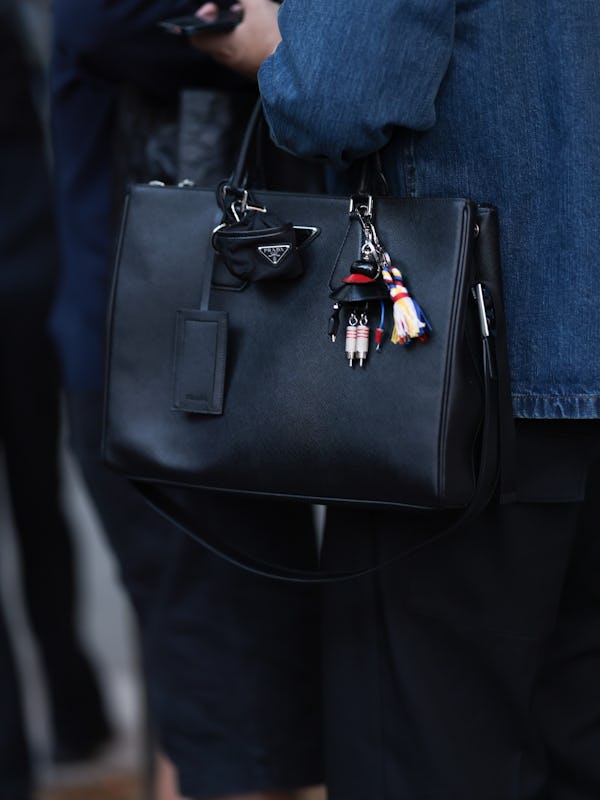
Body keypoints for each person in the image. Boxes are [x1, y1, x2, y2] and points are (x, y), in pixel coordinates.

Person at [192, 2, 600, 798]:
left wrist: (268, 44)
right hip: (544, 366)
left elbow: (336, 94)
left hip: (461, 378)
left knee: (423, 755)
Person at [50, 2, 323, 798]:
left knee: (231, 710)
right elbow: (100, 30)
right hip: (161, 367)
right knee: (235, 715)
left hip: (202, 360)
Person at [0, 3, 111, 791]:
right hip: (31, 253)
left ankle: (29, 745)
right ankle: (76, 715)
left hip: (30, 257)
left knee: (42, 510)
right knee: (42, 508)